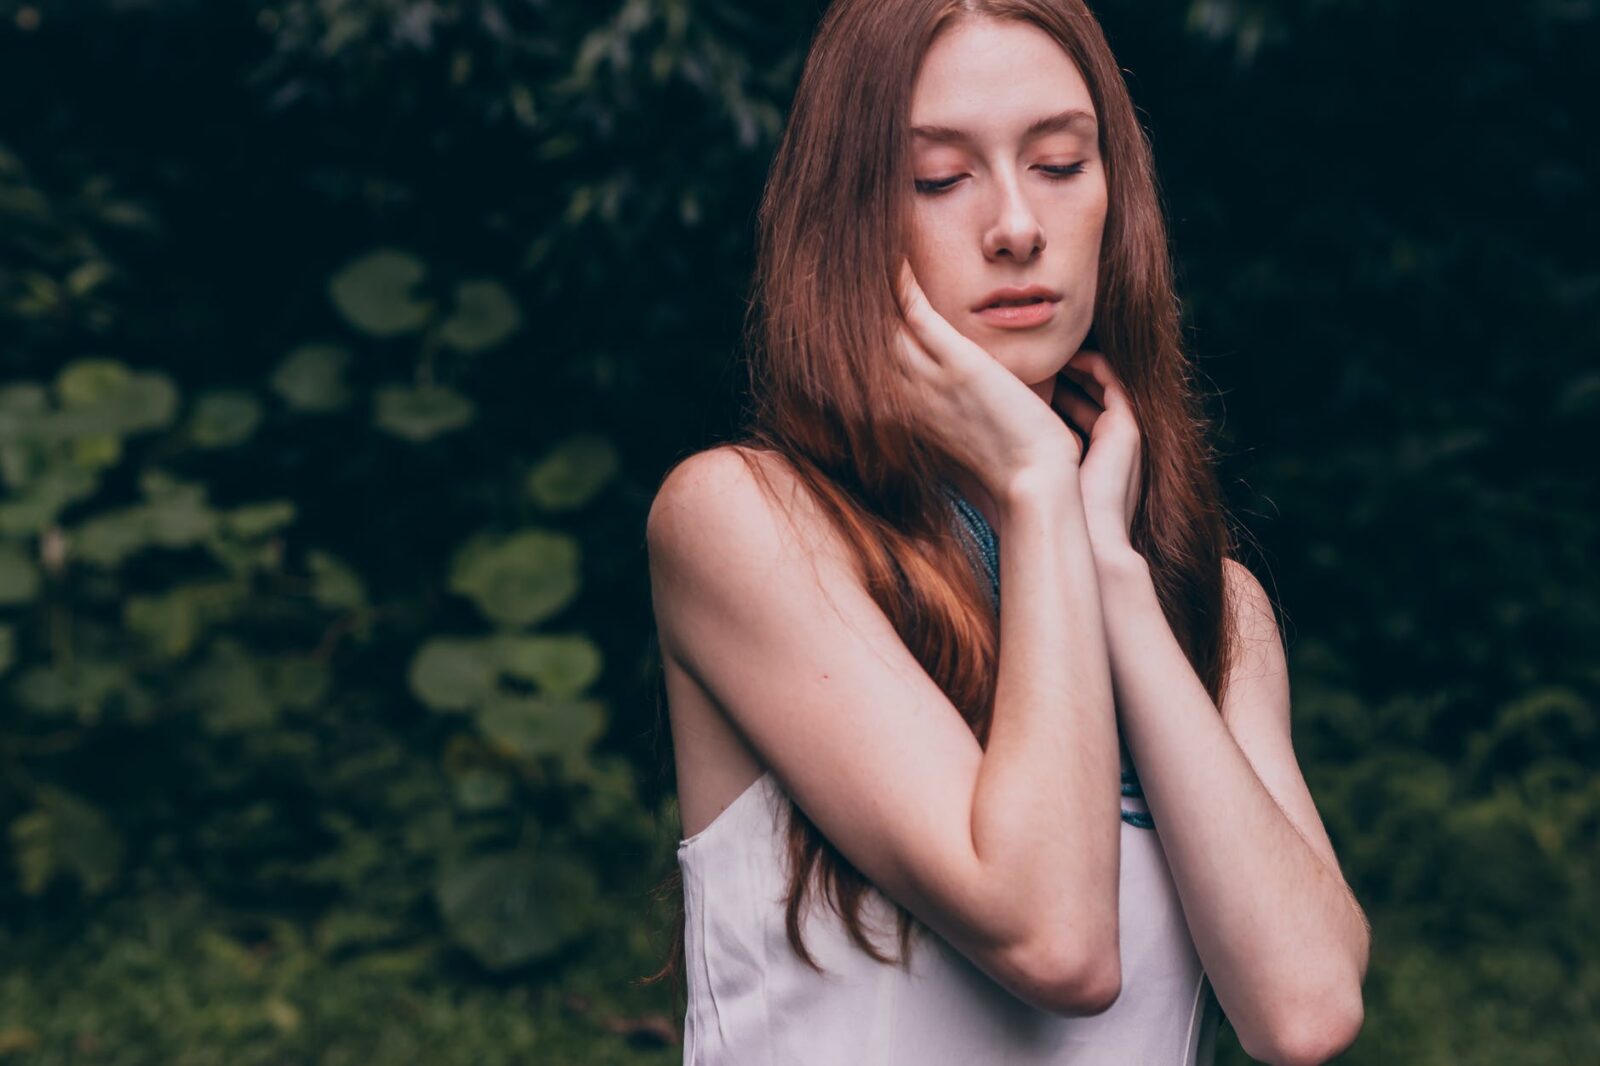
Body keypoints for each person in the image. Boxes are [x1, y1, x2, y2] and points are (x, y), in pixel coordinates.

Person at [643, 2, 1371, 1063]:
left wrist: (1111, 573)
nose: (1016, 225)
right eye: (941, 178)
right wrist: (1033, 481)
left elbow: (1303, 1012)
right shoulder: (746, 520)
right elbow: (1054, 937)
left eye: (1062, 165)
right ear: (848, 222)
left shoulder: (1214, 610)